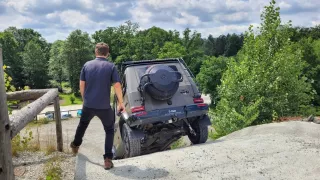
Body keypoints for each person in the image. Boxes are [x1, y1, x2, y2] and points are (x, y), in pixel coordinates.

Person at [70, 42, 125, 170]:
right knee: (109, 131)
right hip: (104, 107)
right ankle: (107, 160)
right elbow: (117, 85)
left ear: (96, 52)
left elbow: (82, 84)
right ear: (108, 54)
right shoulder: (111, 66)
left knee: (82, 125)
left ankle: (75, 145)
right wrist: (121, 103)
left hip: (89, 105)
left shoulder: (87, 65)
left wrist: (85, 100)